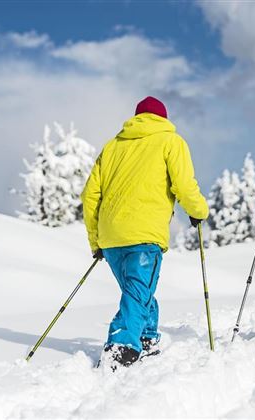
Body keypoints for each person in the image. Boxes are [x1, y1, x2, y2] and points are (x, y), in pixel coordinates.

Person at [81, 96, 209, 370]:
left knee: (138, 291)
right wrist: (198, 211)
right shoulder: (170, 141)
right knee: (138, 291)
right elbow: (184, 185)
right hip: (144, 233)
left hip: (111, 235)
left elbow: (90, 196)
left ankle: (147, 337)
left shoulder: (112, 146)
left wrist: (96, 240)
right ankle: (121, 345)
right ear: (163, 118)